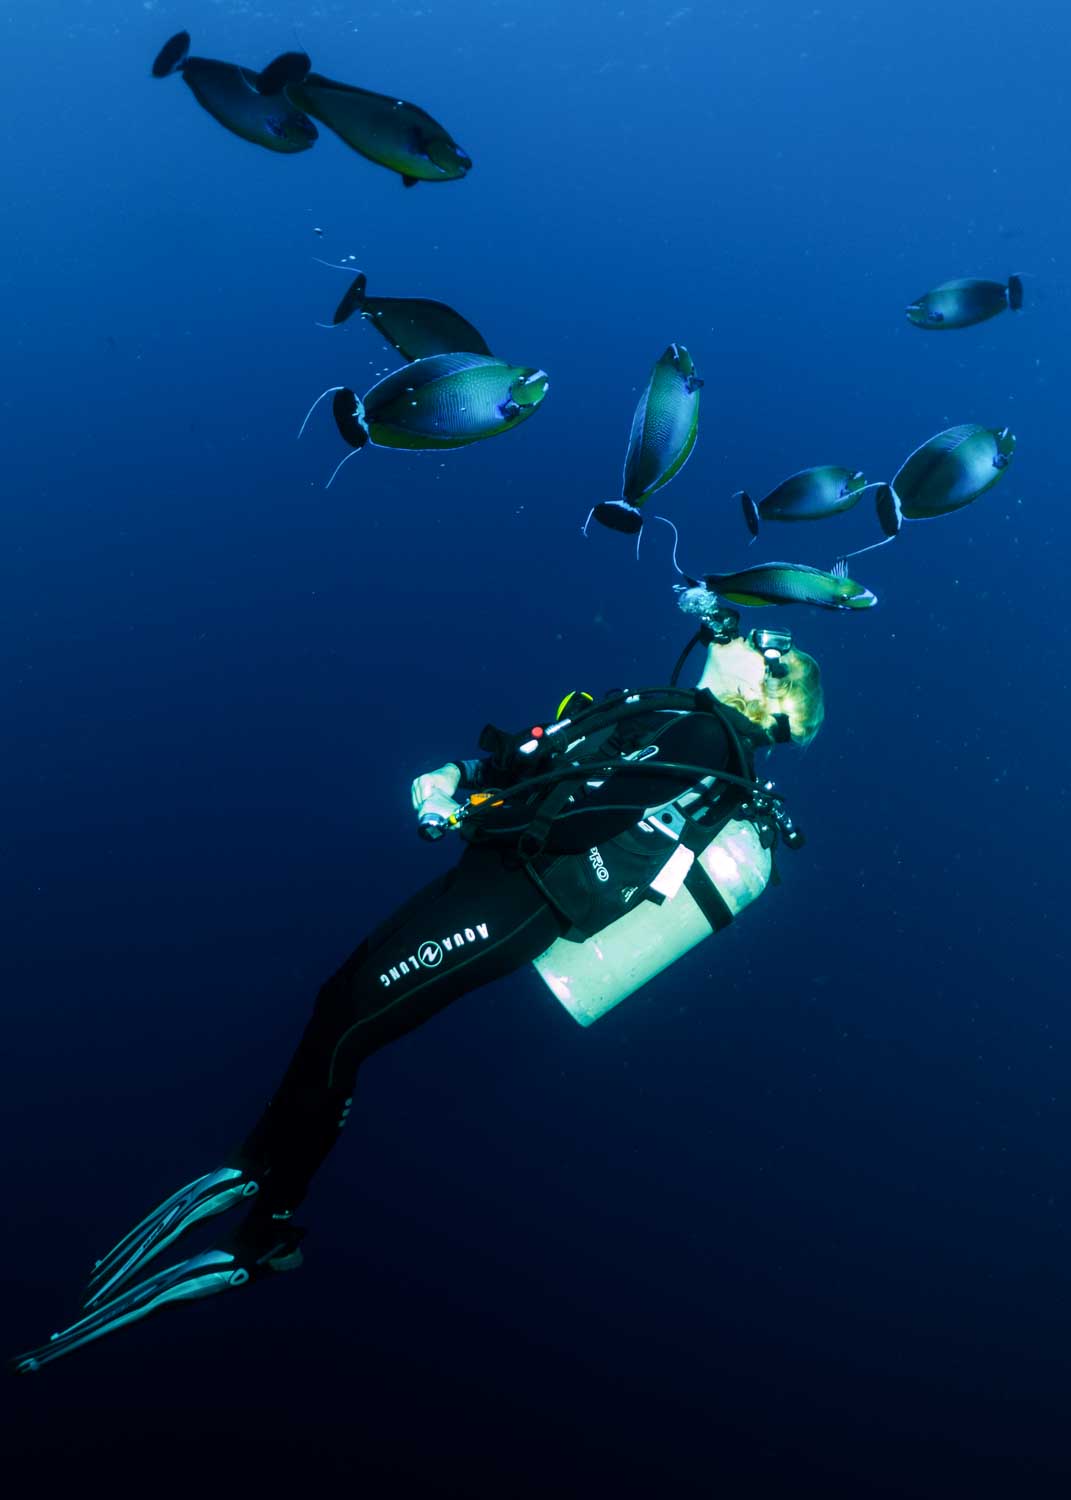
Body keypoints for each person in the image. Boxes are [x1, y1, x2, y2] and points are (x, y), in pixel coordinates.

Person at [12, 588, 824, 1373]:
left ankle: (268, 1234)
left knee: (351, 1027)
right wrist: (464, 769)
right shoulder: (672, 712)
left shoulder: (708, 741)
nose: (753, 640)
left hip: (520, 900)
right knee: (339, 1003)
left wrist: (468, 808)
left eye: (770, 652)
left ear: (766, 699)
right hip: (494, 874)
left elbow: (587, 818)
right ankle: (254, 1166)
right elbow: (549, 751)